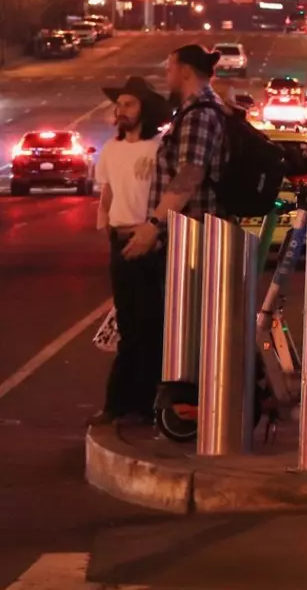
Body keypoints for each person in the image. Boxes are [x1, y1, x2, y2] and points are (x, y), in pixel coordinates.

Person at [94, 76, 167, 426]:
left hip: (150, 243)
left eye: (129, 104)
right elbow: (107, 192)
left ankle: (143, 404)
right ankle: (120, 405)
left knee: (150, 325)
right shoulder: (110, 150)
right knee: (128, 323)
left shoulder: (158, 149)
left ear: (145, 110)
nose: (121, 111)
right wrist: (105, 225)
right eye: (118, 105)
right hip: (119, 243)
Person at [120, 45, 229, 264]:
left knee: (189, 298)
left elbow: (189, 174)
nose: (167, 75)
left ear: (185, 71)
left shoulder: (198, 114)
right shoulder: (200, 108)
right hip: (192, 236)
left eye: (170, 68)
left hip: (193, 239)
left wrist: (153, 225)